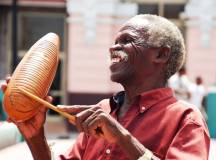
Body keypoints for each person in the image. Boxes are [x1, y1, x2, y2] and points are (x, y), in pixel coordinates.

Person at [1, 14, 210, 160]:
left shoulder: (186, 119)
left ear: (161, 54)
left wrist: (122, 137)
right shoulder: (103, 110)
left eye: (127, 40)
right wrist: (35, 135)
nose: (113, 47)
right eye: (115, 41)